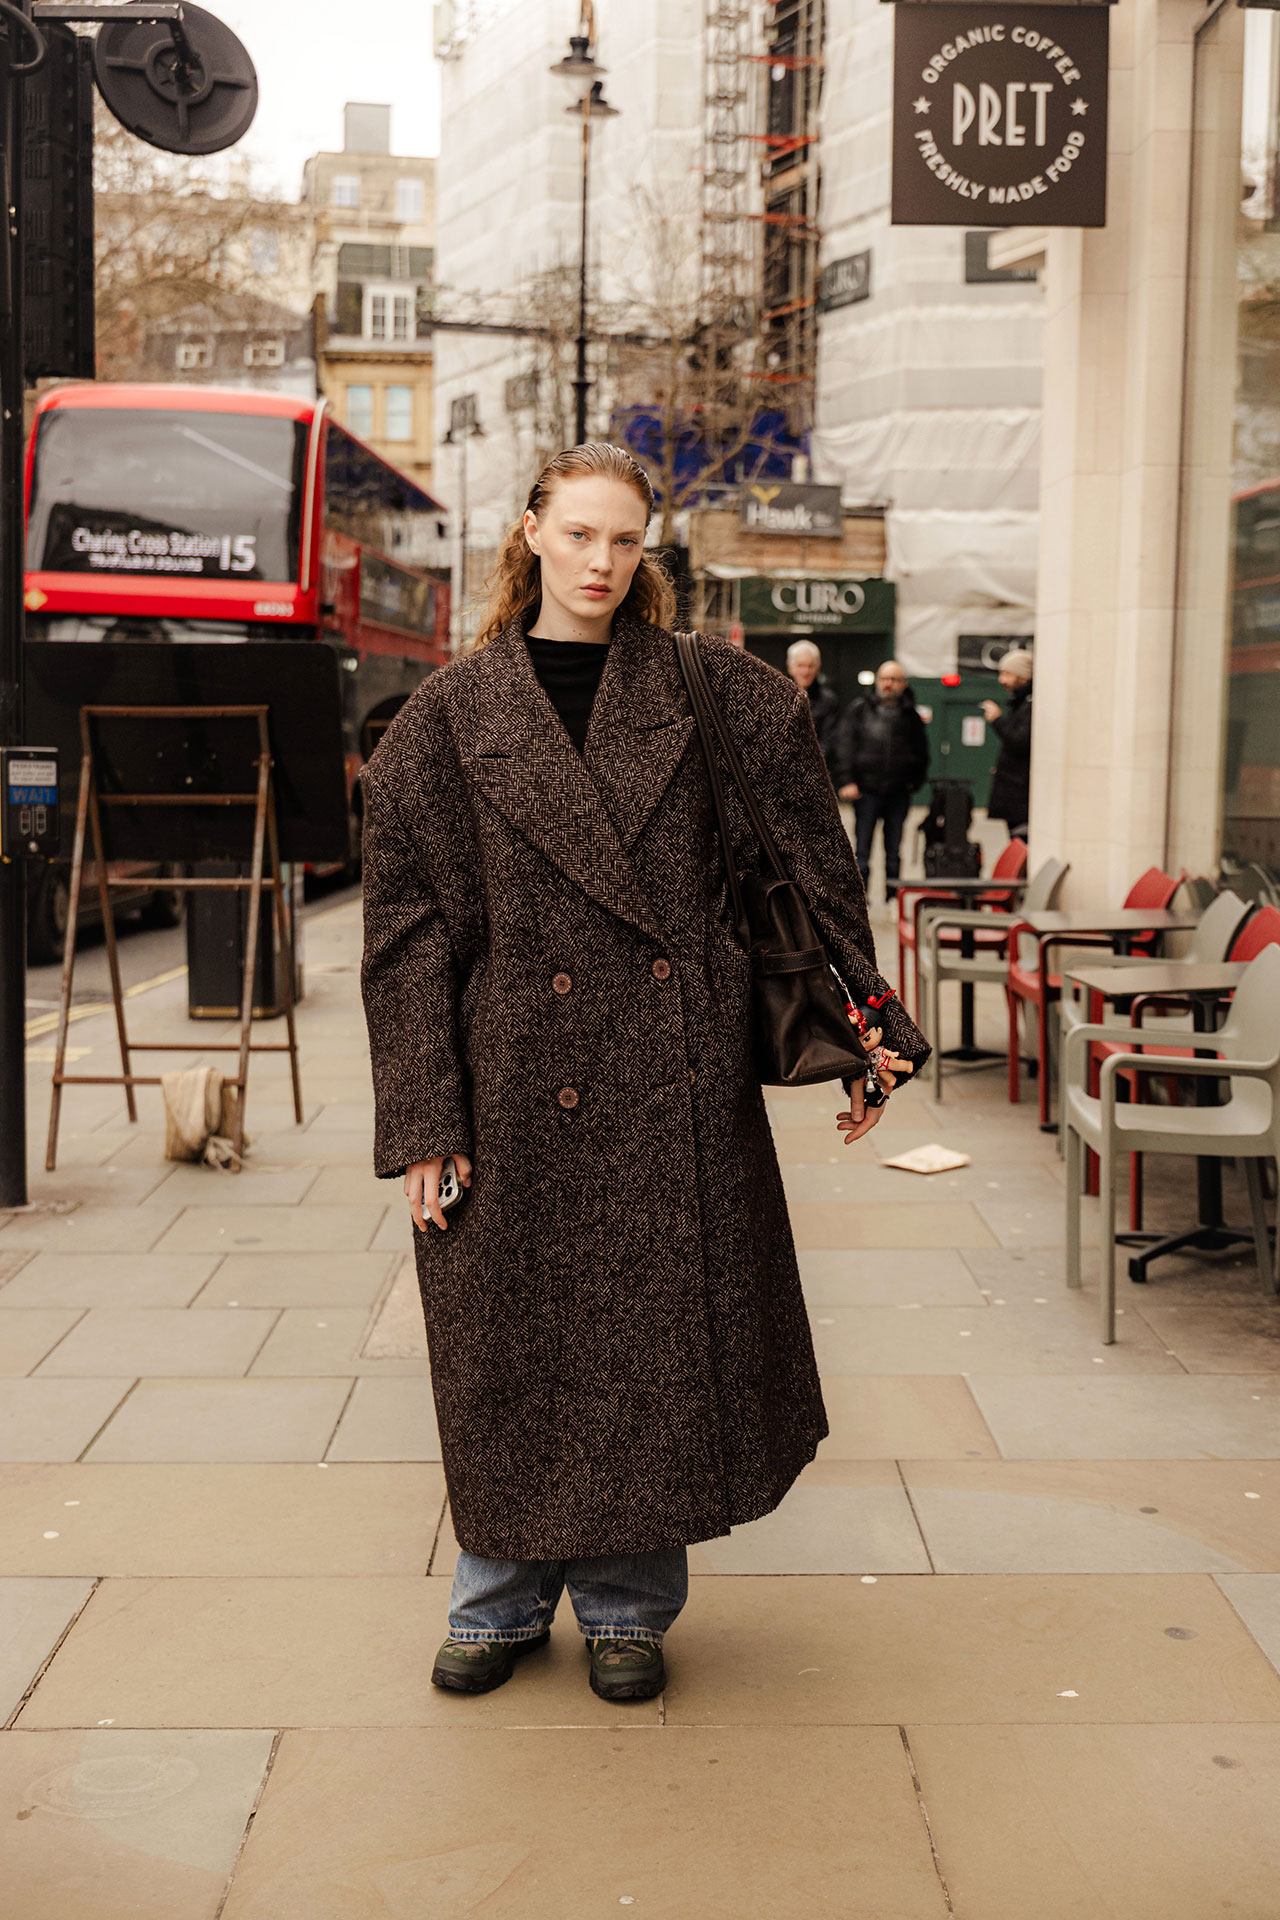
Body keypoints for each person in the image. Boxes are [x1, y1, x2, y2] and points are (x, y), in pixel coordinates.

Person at [359, 442, 928, 1706]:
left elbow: (812, 871)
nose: (601, 562)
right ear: (530, 534)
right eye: (577, 534)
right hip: (507, 1080)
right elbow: (407, 937)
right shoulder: (446, 718)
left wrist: (867, 1026)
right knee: (507, 1347)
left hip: (672, 1075)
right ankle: (498, 1600)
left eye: (624, 540)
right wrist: (423, 1118)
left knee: (651, 1347)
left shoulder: (718, 693)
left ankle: (627, 1607)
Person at [835, 660, 929, 900]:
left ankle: (892, 899)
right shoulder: (859, 710)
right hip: (866, 791)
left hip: (898, 793)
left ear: (903, 684)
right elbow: (845, 746)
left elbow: (922, 753)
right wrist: (847, 780)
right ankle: (860, 898)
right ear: (877, 682)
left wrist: (913, 782)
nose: (888, 684)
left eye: (894, 680)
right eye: (885, 679)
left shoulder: (911, 717)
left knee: (894, 852)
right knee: (862, 851)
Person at [982, 647, 1033, 839]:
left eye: (1007, 674)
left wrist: (997, 720)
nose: (1002, 680)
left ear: (1023, 676)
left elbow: (1019, 741)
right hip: (1014, 795)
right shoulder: (1019, 704)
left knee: (1020, 842)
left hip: (1020, 795)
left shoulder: (1030, 706)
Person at [785, 638, 840, 780]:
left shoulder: (829, 700)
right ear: (790, 667)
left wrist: (809, 766)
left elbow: (829, 740)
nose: (806, 671)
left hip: (817, 772)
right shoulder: (778, 697)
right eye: (800, 665)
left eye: (810, 666)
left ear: (818, 667)